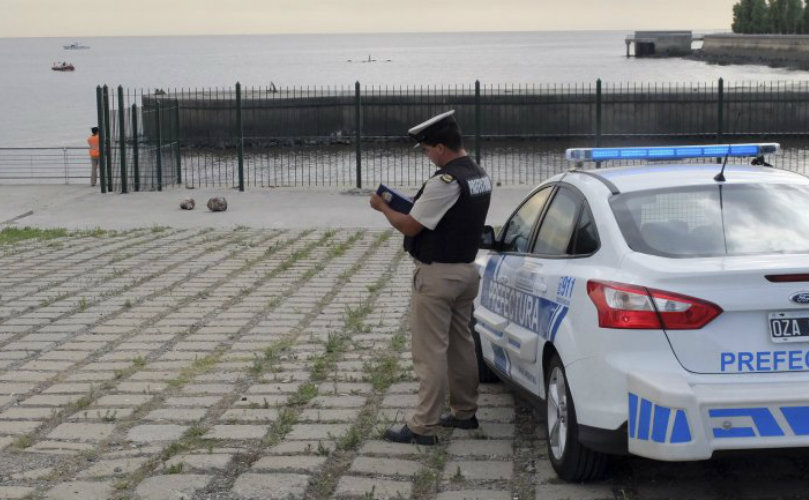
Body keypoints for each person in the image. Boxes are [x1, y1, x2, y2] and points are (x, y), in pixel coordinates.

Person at [369, 109, 492, 445]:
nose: (427, 157)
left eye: (426, 150)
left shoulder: (445, 182)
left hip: (438, 276)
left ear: (440, 148)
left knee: (430, 352)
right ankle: (465, 413)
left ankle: (423, 425)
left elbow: (411, 225)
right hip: (466, 271)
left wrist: (383, 207)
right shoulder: (478, 174)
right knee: (461, 345)